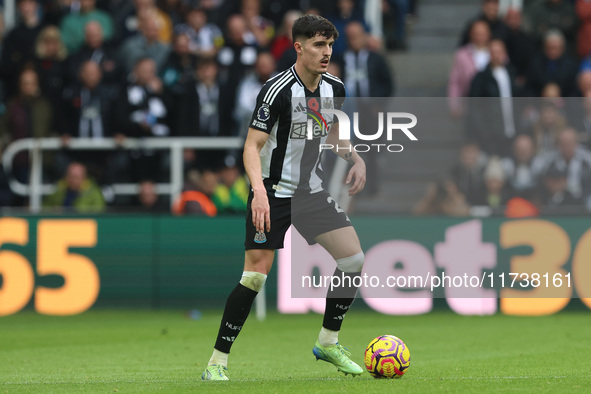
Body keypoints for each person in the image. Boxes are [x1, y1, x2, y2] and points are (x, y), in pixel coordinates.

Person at [202, 14, 367, 381]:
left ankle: (328, 341)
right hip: (273, 192)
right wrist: (258, 191)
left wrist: (354, 156)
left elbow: (332, 134)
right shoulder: (277, 90)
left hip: (309, 192)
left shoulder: (334, 88)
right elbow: (251, 145)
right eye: (318, 45)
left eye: (329, 45)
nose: (326, 53)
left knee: (354, 259)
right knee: (255, 277)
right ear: (298, 47)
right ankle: (217, 362)